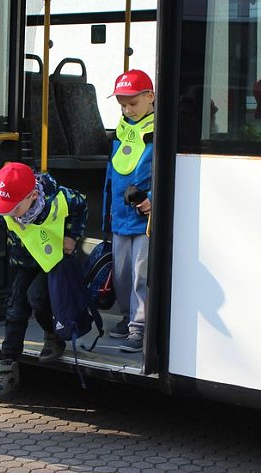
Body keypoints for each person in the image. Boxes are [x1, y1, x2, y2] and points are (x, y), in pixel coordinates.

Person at [0, 162, 87, 398]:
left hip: (53, 260)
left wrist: (72, 236)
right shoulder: (3, 207)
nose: (6, 212)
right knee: (15, 310)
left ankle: (52, 335)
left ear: (33, 196)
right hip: (23, 263)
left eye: (12, 207)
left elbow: (81, 205)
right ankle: (7, 368)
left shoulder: (60, 197)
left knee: (37, 297)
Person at [103, 69, 154, 352]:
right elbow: (110, 177)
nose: (127, 109)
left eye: (132, 103)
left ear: (150, 97)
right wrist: (106, 215)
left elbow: (167, 173)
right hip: (119, 217)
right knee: (122, 275)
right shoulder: (121, 131)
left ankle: (139, 325)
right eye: (122, 104)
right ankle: (127, 316)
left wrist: (152, 202)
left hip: (143, 219)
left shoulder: (158, 132)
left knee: (140, 275)